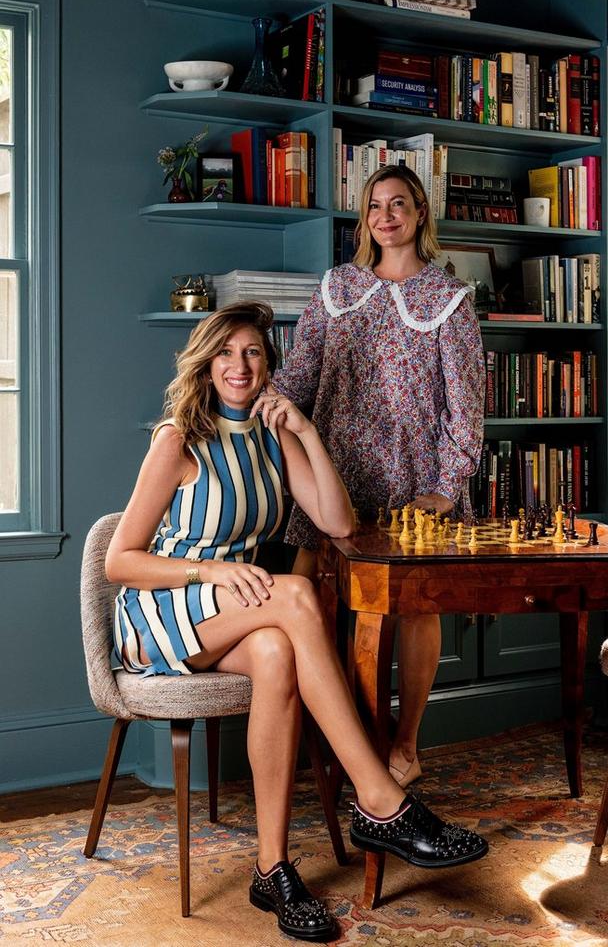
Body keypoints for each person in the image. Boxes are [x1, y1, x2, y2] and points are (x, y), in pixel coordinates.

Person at [105, 302, 488, 943]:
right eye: (226, 352)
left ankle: (271, 869)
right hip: (164, 610)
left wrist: (307, 433)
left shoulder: (272, 433)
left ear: (268, 365)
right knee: (297, 596)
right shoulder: (178, 440)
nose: (240, 365)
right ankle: (379, 797)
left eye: (253, 352)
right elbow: (121, 561)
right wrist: (212, 574)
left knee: (281, 653)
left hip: (241, 608)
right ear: (206, 362)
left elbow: (337, 523)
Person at [272, 164, 485, 789]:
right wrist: (255, 416)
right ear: (364, 219)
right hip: (331, 479)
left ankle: (406, 743)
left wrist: (445, 489)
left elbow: (465, 411)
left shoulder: (449, 302)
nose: (385, 215)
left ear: (420, 214)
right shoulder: (338, 287)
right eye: (374, 206)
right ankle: (335, 738)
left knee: (413, 613)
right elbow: (299, 374)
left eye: (398, 204)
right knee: (308, 605)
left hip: (413, 489)